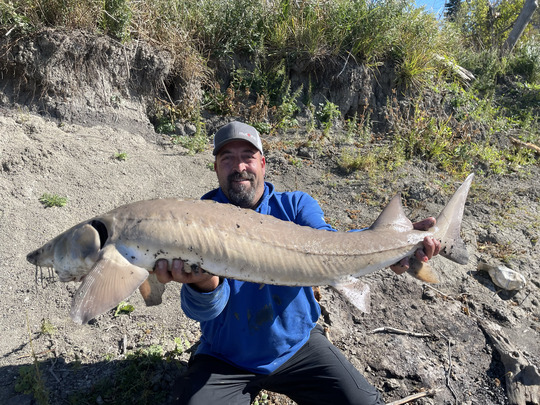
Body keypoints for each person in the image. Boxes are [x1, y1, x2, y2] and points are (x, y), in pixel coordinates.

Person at [154, 121, 441, 405]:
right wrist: (204, 283)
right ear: (216, 167)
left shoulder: (295, 206)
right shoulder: (197, 221)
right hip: (226, 357)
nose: (239, 166)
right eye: (227, 158)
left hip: (297, 346)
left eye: (247, 157)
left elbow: (330, 245)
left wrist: (388, 244)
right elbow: (201, 310)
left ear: (263, 164)